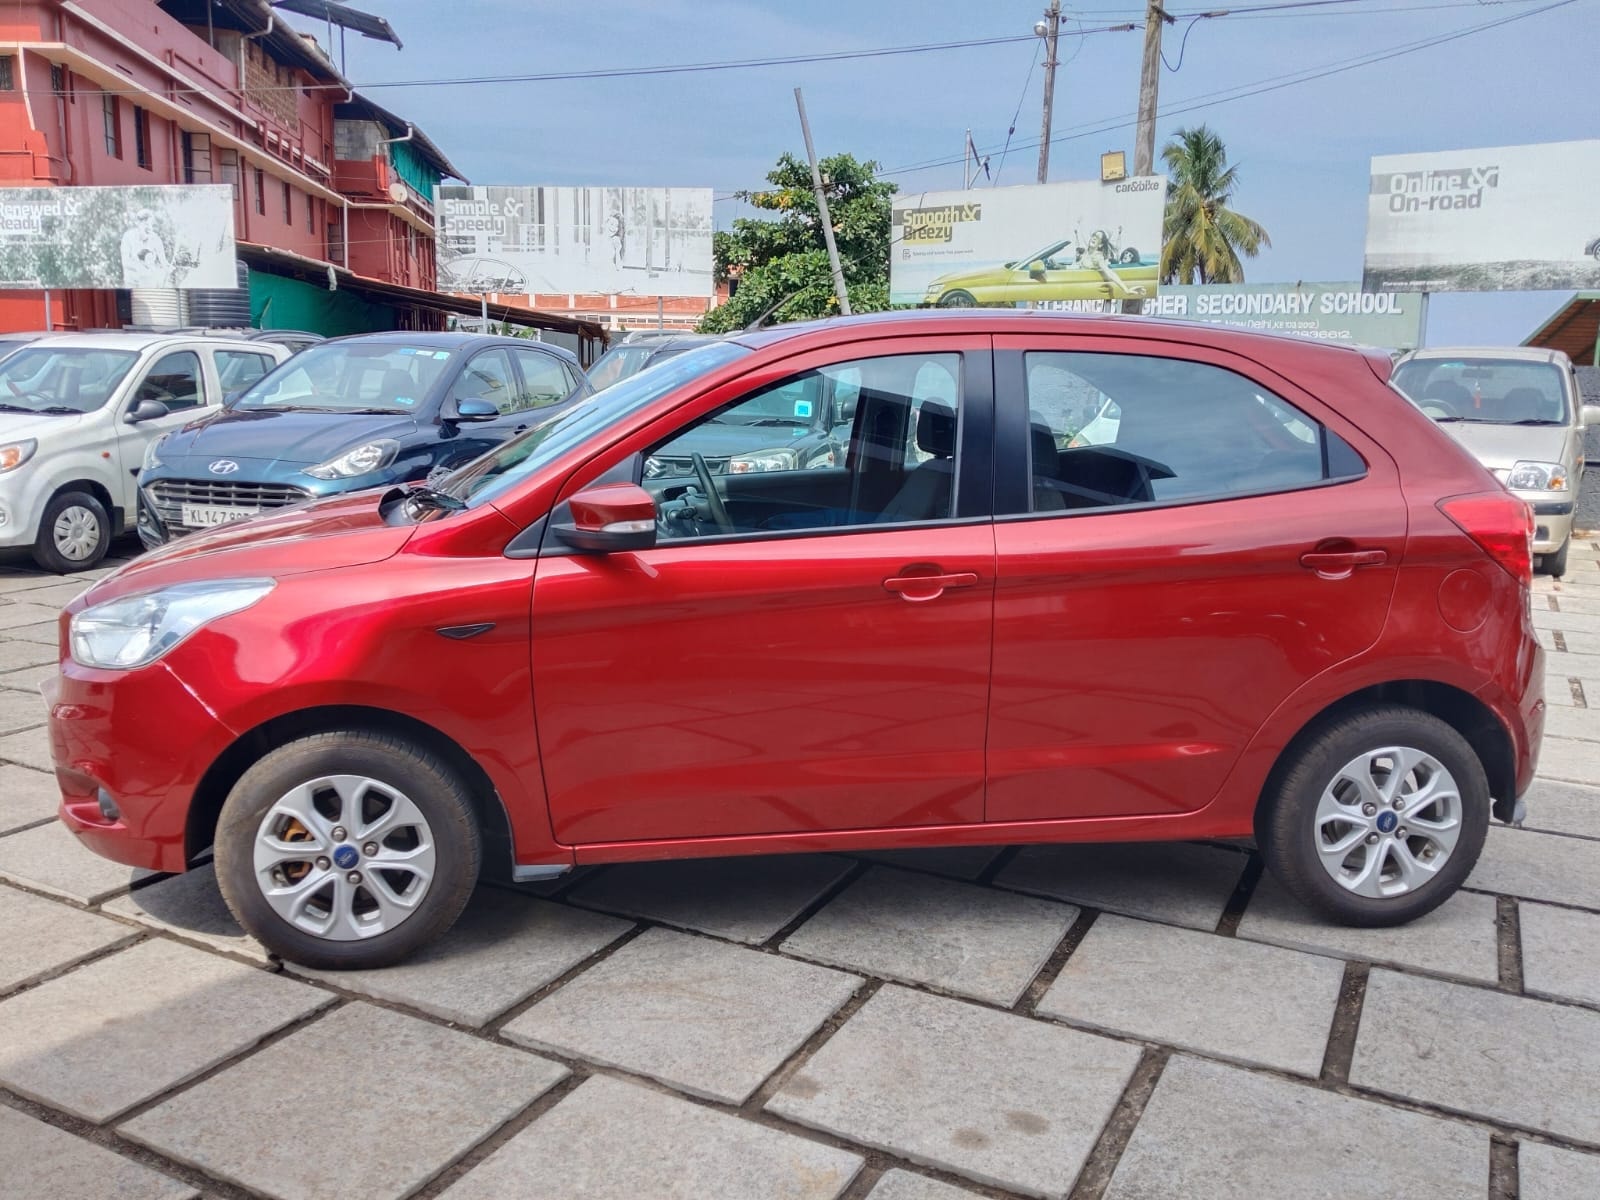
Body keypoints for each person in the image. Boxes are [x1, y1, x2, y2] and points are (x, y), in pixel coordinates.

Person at [1078, 229, 1146, 299]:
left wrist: (1126, 289)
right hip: (1082, 286)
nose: (1094, 238)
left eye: (1098, 238)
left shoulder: (1097, 257)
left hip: (1089, 289)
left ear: (1100, 244)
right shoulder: (1086, 253)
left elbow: (1110, 273)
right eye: (1094, 235)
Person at [119, 210, 173, 287]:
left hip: (149, 282)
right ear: (138, 223)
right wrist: (142, 268)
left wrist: (169, 268)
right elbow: (125, 262)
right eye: (146, 224)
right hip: (132, 282)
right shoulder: (128, 237)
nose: (150, 228)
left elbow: (164, 262)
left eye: (151, 225)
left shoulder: (155, 239)